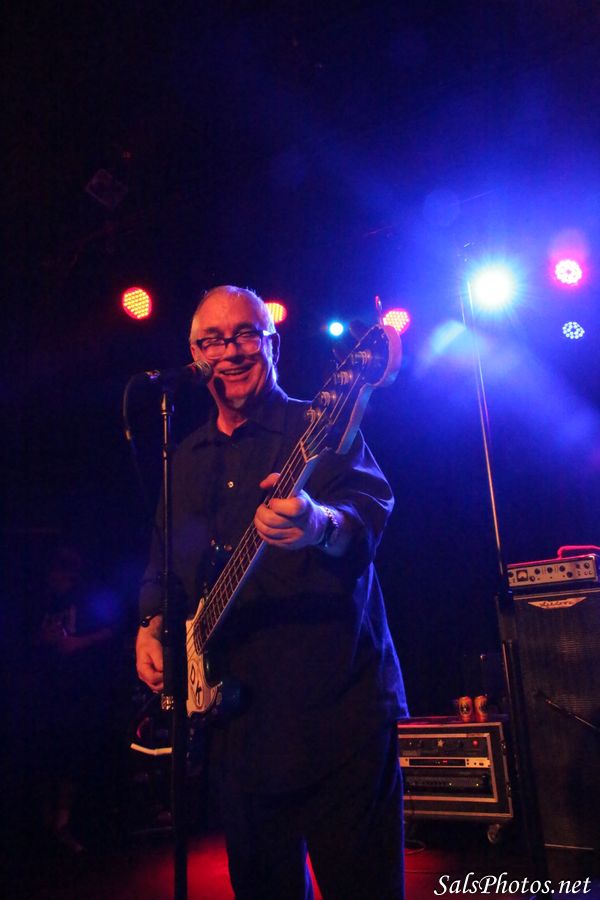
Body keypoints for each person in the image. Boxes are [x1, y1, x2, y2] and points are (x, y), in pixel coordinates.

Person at [136, 285, 408, 899]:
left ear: (272, 345)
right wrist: (150, 624)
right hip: (239, 726)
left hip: (338, 712)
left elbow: (368, 512)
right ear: (195, 356)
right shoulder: (186, 457)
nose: (230, 351)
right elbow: (164, 558)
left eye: (244, 336)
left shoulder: (320, 424)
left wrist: (319, 525)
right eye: (212, 341)